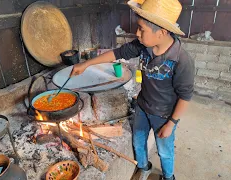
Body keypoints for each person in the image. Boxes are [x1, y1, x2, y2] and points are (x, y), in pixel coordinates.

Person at [71, 0, 195, 179]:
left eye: (141, 29)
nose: (137, 34)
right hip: (143, 107)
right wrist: (86, 64)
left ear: (161, 32)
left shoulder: (181, 60)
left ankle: (169, 177)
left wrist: (171, 123)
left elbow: (185, 96)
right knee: (138, 142)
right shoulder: (143, 46)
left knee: (165, 151)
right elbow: (117, 53)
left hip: (164, 115)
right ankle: (144, 167)